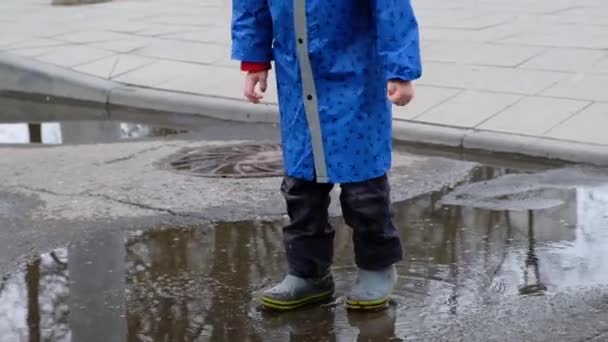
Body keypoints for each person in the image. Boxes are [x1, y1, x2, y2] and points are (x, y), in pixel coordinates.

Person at [231, 0, 422, 311]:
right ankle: (308, 273)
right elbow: (250, 6)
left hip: (356, 79)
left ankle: (377, 267)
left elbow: (392, 10)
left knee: (364, 191)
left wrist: (401, 72)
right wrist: (254, 61)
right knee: (301, 188)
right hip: (298, 80)